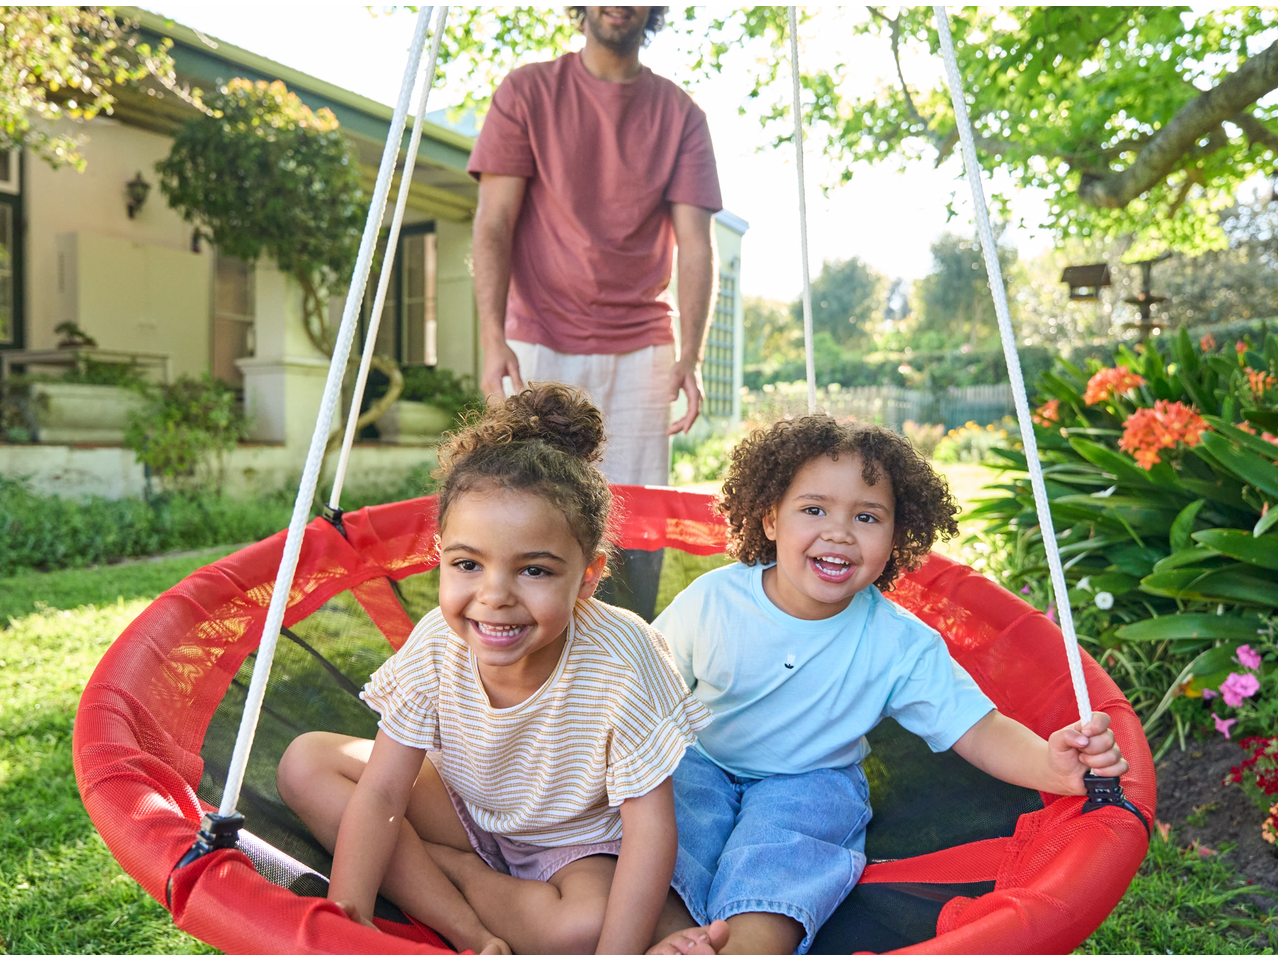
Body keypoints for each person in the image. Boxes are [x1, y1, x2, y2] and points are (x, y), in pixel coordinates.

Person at [648, 416, 1130, 954]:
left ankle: (748, 946)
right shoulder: (712, 602)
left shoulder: (898, 642)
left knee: (784, 852)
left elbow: (979, 727)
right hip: (705, 758)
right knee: (671, 823)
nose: (839, 532)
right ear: (769, 519)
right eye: (813, 509)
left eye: (867, 517)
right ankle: (670, 939)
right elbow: (645, 692)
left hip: (812, 779)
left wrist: (1049, 765)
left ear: (896, 537)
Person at [276, 385, 718, 954]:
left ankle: (455, 877)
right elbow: (385, 791)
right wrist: (348, 919)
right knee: (305, 763)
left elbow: (650, 834)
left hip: (574, 846)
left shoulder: (624, 657)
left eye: (533, 571)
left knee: (581, 929)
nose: (495, 596)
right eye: (467, 564)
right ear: (439, 554)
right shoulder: (438, 641)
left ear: (588, 575)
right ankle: (472, 931)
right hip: (461, 808)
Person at [468, 4, 722, 619]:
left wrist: (690, 355)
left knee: (635, 519)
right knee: (526, 503)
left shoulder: (681, 113)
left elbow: (696, 247)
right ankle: (519, 656)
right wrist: (492, 338)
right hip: (540, 336)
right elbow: (494, 222)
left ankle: (628, 664)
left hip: (642, 344)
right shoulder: (528, 91)